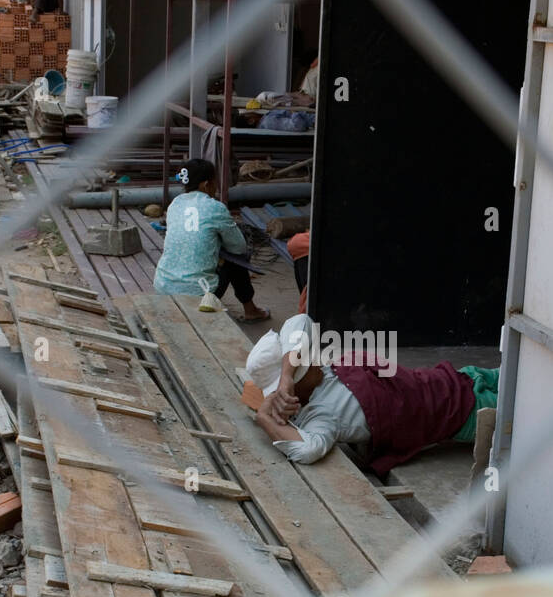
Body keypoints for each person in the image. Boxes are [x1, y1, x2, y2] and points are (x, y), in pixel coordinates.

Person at [248, 314, 499, 476]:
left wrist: (285, 375)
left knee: (524, 371)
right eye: (307, 362)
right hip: (464, 411)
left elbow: (300, 321)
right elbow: (309, 450)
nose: (315, 359)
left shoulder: (312, 376)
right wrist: (265, 418)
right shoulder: (321, 415)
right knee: (528, 406)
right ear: (298, 385)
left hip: (457, 377)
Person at [154, 159, 271, 323]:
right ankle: (251, 310)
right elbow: (239, 247)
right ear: (206, 185)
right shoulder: (215, 207)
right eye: (215, 182)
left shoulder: (175, 204)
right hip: (197, 292)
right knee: (235, 260)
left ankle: (250, 309)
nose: (216, 186)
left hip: (163, 286)